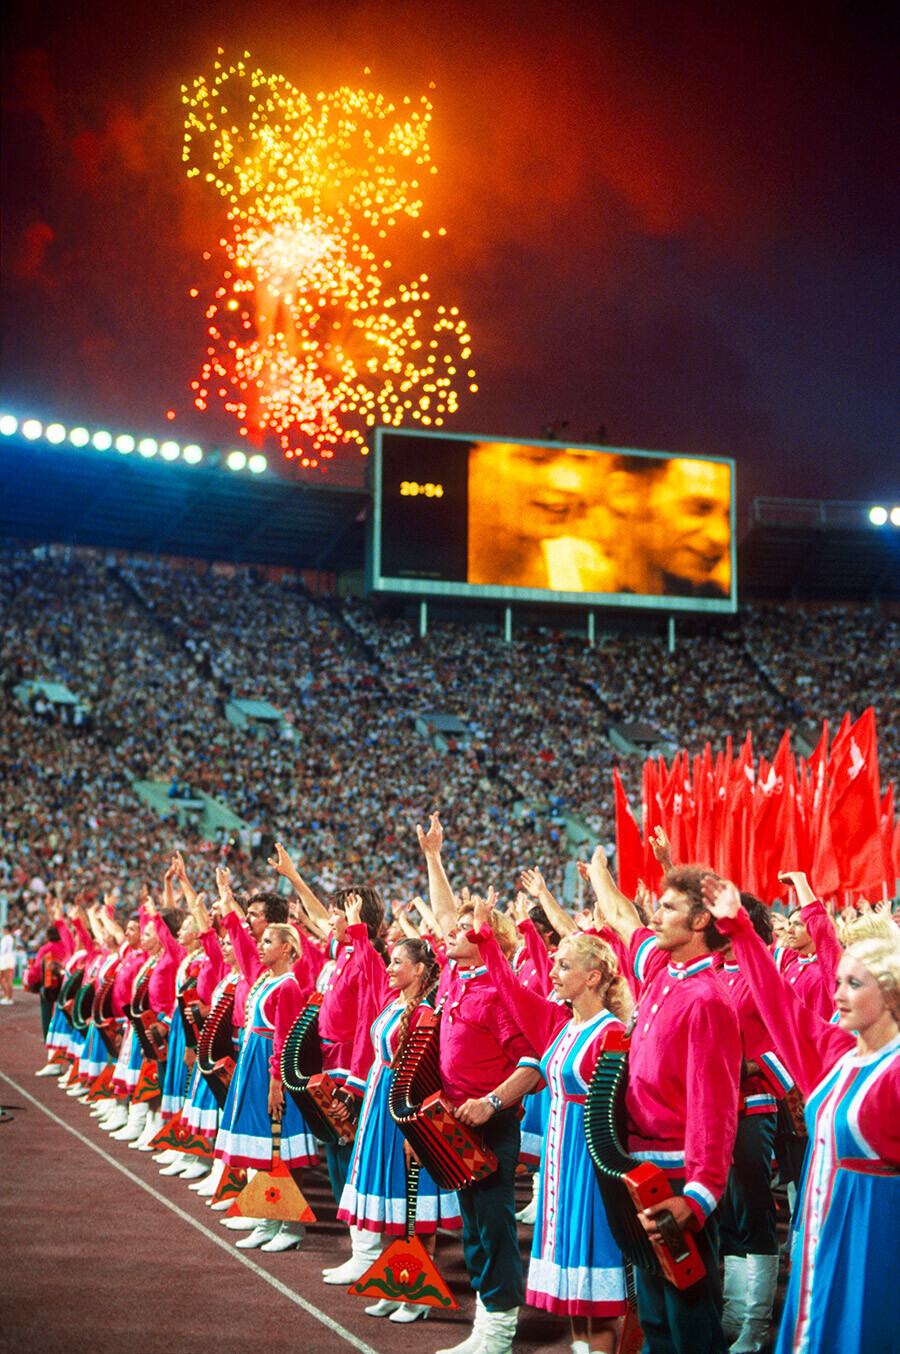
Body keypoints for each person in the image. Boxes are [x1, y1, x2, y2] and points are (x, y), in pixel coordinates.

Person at [703, 875, 900, 1354]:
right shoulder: (834, 1052)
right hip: (821, 1233)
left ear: (893, 994)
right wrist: (739, 930)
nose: (838, 994)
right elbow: (778, 1003)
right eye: (837, 982)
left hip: (877, 1239)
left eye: (855, 984)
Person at [588, 851, 742, 1354]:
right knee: (654, 1316)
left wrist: (698, 1197)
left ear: (700, 921)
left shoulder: (710, 999)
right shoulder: (660, 969)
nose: (655, 915)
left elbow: (714, 1110)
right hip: (641, 1172)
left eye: (668, 908)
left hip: (679, 1177)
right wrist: (597, 874)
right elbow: (622, 917)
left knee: (690, 1319)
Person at [474, 898, 630, 1354]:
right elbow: (510, 989)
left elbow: (621, 1112)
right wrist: (486, 938)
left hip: (593, 1167)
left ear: (594, 977)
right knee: (576, 1291)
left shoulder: (611, 1034)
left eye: (564, 965)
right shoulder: (560, 1023)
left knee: (599, 1290)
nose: (554, 971)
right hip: (561, 1169)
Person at [418, 814, 545, 1354]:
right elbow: (448, 915)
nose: (448, 934)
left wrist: (490, 1103)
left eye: (461, 932)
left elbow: (533, 1066)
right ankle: (486, 1326)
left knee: (492, 1228)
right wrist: (433, 858)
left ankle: (498, 1333)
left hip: (490, 1127)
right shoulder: (454, 975)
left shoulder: (498, 991)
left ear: (484, 938)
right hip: (452, 1123)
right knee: (473, 1226)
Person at [328, 905, 461, 1323]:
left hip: (404, 1111)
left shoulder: (426, 1014)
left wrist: (417, 1130)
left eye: (398, 962)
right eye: (390, 961)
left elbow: (428, 1074)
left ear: (421, 970)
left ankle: (418, 1291)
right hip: (379, 1107)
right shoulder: (394, 1002)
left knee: (412, 1200)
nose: (389, 967)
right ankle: (396, 1280)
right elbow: (368, 967)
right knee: (389, 1200)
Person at [467, 440, 616, 592]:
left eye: (582, 459)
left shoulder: (589, 568)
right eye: (536, 457)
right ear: (472, 460)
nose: (572, 484)